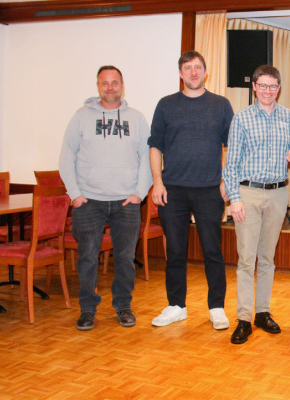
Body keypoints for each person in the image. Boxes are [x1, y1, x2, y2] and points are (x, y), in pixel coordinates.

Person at [59, 65, 152, 331]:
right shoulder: (81, 117)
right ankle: (87, 310)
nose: (110, 87)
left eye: (115, 82)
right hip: (89, 202)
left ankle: (123, 306)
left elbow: (147, 156)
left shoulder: (136, 118)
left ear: (122, 85)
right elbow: (66, 155)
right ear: (97, 86)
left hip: (126, 202)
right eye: (105, 83)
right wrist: (75, 195)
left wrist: (139, 193)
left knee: (124, 258)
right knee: (87, 258)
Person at [148, 51, 234, 329]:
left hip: (210, 189)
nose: (193, 72)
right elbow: (155, 146)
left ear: (205, 72)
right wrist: (157, 182)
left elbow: (232, 146)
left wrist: (225, 181)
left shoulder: (221, 105)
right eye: (188, 68)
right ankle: (176, 305)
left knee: (213, 251)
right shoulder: (166, 105)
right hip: (172, 190)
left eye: (198, 67)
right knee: (175, 251)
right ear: (181, 73)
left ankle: (217, 307)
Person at [222, 65, 290, 344]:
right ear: (254, 87)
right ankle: (244, 317)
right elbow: (230, 164)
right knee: (247, 259)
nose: (269, 91)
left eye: (273, 86)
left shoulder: (288, 117)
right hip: (249, 194)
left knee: (267, 258)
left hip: (278, 194)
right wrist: (234, 199)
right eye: (263, 85)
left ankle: (262, 312)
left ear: (279, 88)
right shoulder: (242, 119)